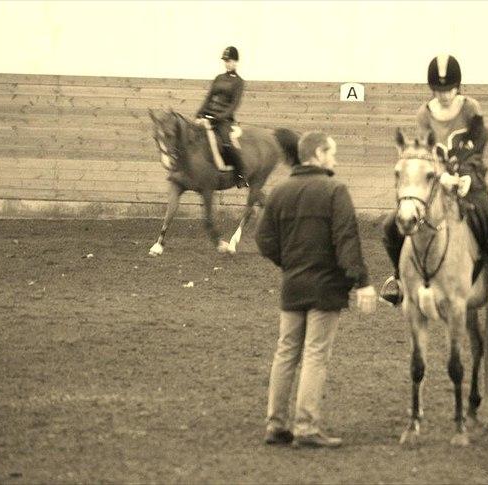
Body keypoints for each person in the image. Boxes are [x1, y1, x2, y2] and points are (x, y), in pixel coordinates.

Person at [255, 131, 377, 448]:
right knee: (315, 354)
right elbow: (346, 240)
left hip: (293, 284)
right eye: (332, 153)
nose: (334, 160)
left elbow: (264, 240)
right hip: (326, 287)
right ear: (320, 153)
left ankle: (276, 425)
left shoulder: (280, 192)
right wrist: (362, 282)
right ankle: (306, 427)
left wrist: (290, 263)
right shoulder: (335, 191)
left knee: (285, 353)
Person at [380, 54, 488, 308]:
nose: (444, 95)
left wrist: (465, 174)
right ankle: (398, 279)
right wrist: (441, 175)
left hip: (469, 178)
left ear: (458, 86)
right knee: (390, 226)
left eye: (449, 89)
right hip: (436, 181)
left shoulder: (470, 109)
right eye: (439, 90)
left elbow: (479, 144)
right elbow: (424, 151)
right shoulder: (424, 113)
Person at [195, 45, 247, 188]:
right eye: (226, 61)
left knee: (227, 142)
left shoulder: (238, 82)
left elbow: (233, 106)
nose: (228, 63)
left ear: (236, 62)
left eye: (230, 61)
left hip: (224, 120)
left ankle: (241, 174)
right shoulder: (218, 78)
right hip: (208, 115)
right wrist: (199, 113)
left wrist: (217, 117)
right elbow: (208, 97)